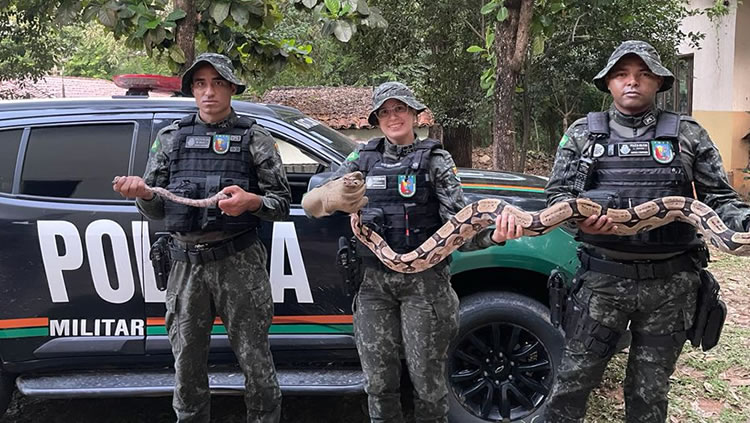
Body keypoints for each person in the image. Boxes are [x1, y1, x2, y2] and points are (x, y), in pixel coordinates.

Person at [543, 40, 750, 422]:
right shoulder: (582, 134)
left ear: (659, 82)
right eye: (621, 74)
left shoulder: (687, 134)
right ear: (608, 84)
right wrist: (579, 220)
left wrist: (743, 225)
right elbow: (558, 196)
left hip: (671, 287)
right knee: (571, 382)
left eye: (643, 74)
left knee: (649, 394)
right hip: (602, 281)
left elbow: (720, 198)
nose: (632, 82)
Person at [301, 81, 524, 423]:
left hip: (425, 286)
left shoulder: (436, 159)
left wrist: (494, 236)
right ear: (377, 118)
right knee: (378, 383)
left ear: (414, 114)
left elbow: (460, 230)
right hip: (374, 283)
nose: (393, 117)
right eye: (385, 111)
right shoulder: (361, 157)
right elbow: (313, 204)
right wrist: (327, 198)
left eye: (400, 109)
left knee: (428, 384)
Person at [112, 53, 291, 423]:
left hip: (240, 262)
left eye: (218, 83)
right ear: (192, 90)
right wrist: (143, 194)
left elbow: (282, 204)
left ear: (232, 88)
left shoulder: (256, 139)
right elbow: (156, 208)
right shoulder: (171, 138)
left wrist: (252, 201)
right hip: (185, 265)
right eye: (200, 84)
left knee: (256, 359)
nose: (208, 92)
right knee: (187, 364)